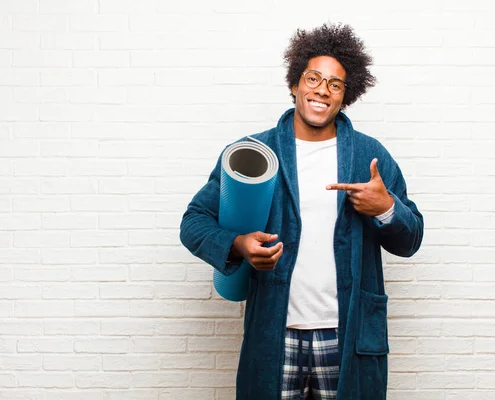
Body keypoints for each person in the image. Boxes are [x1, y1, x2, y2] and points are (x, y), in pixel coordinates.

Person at [180, 23, 424, 400]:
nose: (322, 90)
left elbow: (412, 239)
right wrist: (239, 244)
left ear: (346, 95)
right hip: (276, 333)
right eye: (313, 78)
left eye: (335, 84)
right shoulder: (254, 152)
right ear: (295, 84)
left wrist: (387, 208)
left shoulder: (368, 156)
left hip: (346, 334)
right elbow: (193, 222)